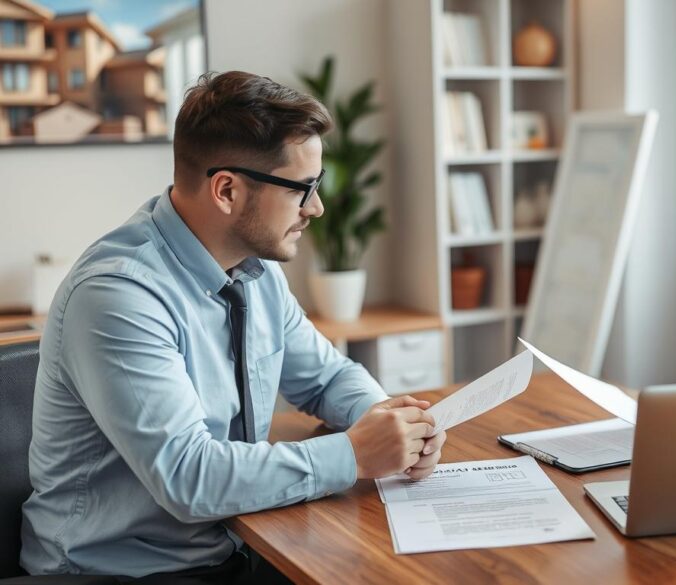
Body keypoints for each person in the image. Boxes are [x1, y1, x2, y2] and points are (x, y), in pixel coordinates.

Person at [20, 71, 447, 581]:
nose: (317, 207)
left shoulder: (256, 272)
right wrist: (354, 454)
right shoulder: (118, 296)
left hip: (234, 546)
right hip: (118, 572)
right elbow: (189, 478)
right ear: (226, 190)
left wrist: (390, 424)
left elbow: (328, 377)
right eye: (302, 189)